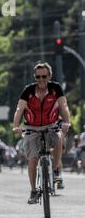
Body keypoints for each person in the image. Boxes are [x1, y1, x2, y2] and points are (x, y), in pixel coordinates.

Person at [12, 62, 71, 204]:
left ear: (49, 76)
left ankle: (56, 170)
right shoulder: (28, 90)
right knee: (32, 160)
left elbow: (63, 105)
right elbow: (19, 109)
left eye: (44, 76)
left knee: (58, 139)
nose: (41, 79)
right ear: (35, 77)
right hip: (31, 127)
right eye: (38, 77)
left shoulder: (56, 88)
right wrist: (16, 126)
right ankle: (33, 191)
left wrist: (67, 122)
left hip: (51, 124)